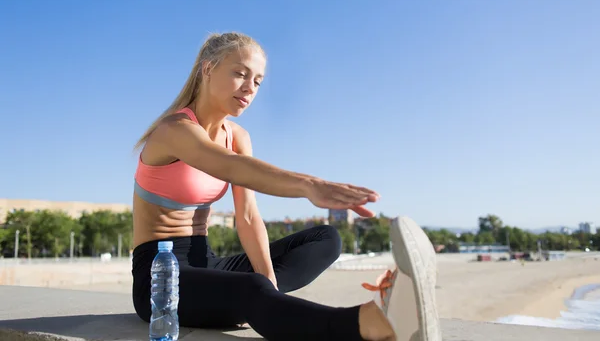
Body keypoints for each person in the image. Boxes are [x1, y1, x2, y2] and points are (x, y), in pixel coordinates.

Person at [130, 32, 442, 341]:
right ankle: (368, 324)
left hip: (208, 262)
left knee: (326, 239)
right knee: (250, 289)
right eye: (240, 74)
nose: (250, 88)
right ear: (208, 69)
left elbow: (249, 218)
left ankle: (261, 302)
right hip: (159, 276)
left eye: (258, 81)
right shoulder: (175, 130)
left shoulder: (238, 136)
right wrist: (309, 186)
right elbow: (232, 167)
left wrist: (267, 279)